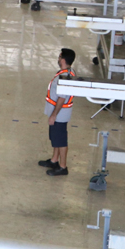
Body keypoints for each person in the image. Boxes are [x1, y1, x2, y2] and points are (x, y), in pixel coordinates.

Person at [40, 48, 77, 176]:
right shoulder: (66, 72)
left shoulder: (66, 76)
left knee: (60, 140)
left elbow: (62, 98)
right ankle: (54, 160)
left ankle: (63, 166)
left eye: (59, 56)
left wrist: (54, 115)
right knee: (56, 138)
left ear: (62, 59)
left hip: (60, 114)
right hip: (58, 113)